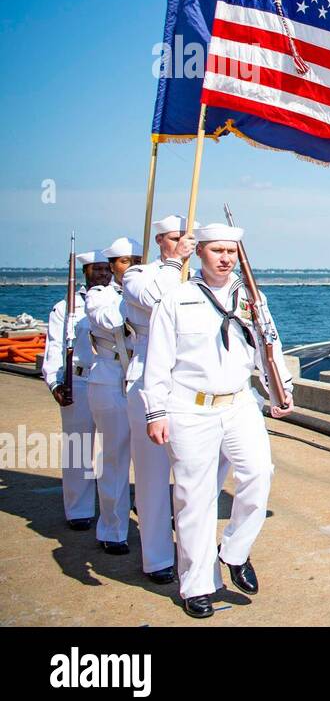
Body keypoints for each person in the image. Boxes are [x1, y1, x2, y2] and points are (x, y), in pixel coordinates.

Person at [141, 223, 294, 619]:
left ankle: (235, 550)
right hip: (190, 406)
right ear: (200, 253)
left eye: (231, 251)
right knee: (195, 498)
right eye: (216, 251)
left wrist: (282, 389)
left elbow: (268, 345)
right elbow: (157, 362)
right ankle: (196, 585)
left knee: (259, 474)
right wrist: (155, 412)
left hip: (240, 402)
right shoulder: (176, 299)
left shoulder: (252, 298)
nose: (225, 258)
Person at [111, 214, 197, 584]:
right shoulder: (139, 275)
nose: (184, 243)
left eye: (187, 238)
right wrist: (176, 262)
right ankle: (157, 557)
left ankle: (193, 550)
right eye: (176, 238)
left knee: (196, 474)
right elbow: (158, 299)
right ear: (161, 240)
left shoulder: (196, 277)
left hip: (189, 379)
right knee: (152, 477)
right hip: (147, 377)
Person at [40, 250, 110, 531]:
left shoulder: (119, 301)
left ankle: (113, 508)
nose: (103, 275)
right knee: (78, 448)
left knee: (116, 450)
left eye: (107, 269)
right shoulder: (65, 307)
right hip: (78, 382)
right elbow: (55, 349)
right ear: (85, 272)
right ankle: (79, 510)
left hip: (110, 380)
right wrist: (55, 383)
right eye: (97, 270)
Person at [83, 237, 143, 554]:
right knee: (115, 459)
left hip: (144, 378)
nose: (131, 266)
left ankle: (154, 528)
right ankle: (113, 529)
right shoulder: (99, 296)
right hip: (111, 377)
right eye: (124, 261)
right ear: (111, 266)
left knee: (153, 461)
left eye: (136, 260)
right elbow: (111, 321)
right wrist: (137, 298)